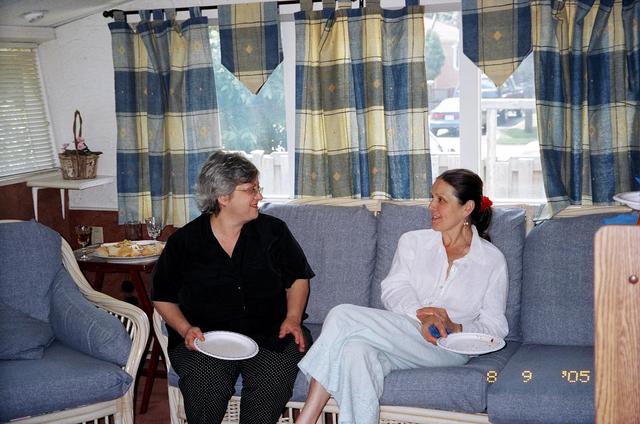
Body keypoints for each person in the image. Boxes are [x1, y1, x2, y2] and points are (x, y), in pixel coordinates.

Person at [295, 168, 509, 424]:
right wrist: (424, 316)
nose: (431, 206)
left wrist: (455, 326)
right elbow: (394, 289)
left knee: (341, 315)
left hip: (447, 347)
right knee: (355, 350)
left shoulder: (491, 260)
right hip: (403, 334)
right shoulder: (413, 242)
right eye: (432, 197)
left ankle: (305, 419)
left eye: (441, 200)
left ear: (467, 208)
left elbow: (495, 327)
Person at [152, 151, 314, 424]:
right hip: (206, 338)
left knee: (271, 380)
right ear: (223, 197)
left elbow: (298, 277)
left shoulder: (274, 232)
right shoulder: (185, 242)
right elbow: (163, 297)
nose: (259, 196)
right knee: (205, 381)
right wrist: (185, 329)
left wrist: (293, 318)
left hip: (272, 333)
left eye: (257, 188)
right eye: (251, 190)